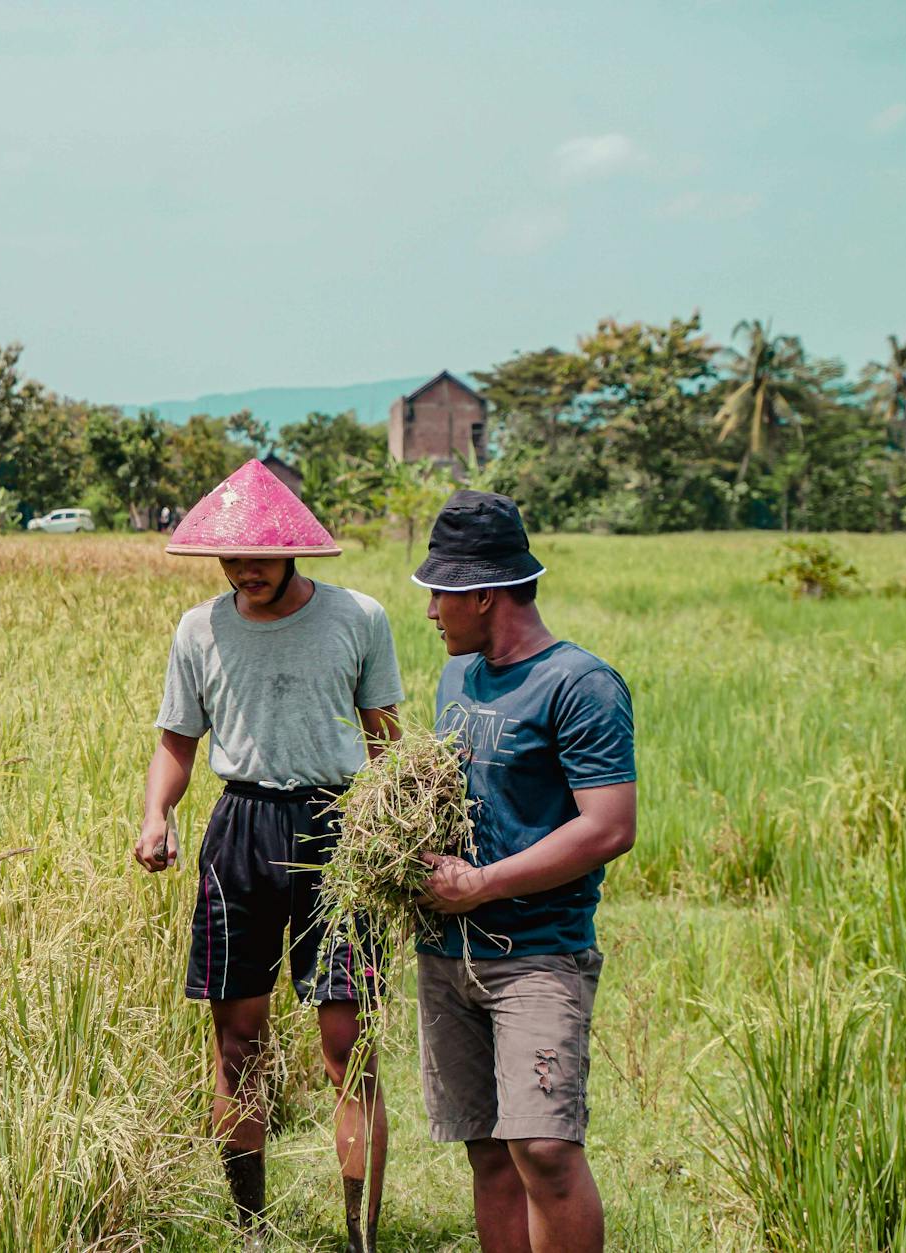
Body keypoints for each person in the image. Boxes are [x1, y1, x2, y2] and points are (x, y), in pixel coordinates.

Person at [134, 458, 403, 1252]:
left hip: (339, 830)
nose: (245, 569)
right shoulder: (199, 629)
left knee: (349, 1047)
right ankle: (250, 1227)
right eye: (231, 556)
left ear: (293, 550)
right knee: (238, 1042)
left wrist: (397, 831)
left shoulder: (358, 617)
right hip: (241, 830)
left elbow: (386, 739)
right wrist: (156, 815)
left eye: (259, 555)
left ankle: (360, 1238)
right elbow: (177, 741)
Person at [410, 490, 637, 1253]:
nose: (432, 610)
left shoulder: (580, 684)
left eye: (441, 593)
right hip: (448, 952)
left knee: (544, 1148)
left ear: (483, 593)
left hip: (537, 952)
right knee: (487, 1148)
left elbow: (609, 826)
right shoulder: (457, 679)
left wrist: (483, 883)